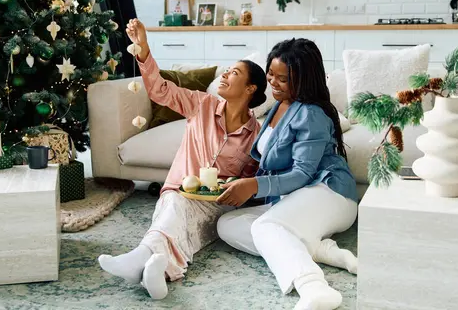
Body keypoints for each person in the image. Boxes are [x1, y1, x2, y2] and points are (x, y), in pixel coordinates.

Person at [98, 19, 268, 300]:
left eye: (234, 72)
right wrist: (143, 49)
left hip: (215, 206)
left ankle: (146, 262)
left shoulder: (256, 135)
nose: (225, 74)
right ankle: (153, 266)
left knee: (186, 227)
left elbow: (253, 181)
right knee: (176, 204)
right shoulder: (202, 104)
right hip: (180, 192)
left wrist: (236, 186)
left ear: (250, 89)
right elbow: (159, 90)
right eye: (226, 70)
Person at [216, 38, 358, 310]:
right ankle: (316, 250)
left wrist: (254, 185)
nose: (273, 82)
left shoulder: (311, 113)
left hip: (330, 192)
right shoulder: (277, 108)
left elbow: (303, 173)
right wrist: (240, 182)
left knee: (265, 227)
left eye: (283, 79)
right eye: (271, 74)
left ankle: (314, 287)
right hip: (295, 198)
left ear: (304, 79)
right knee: (227, 225)